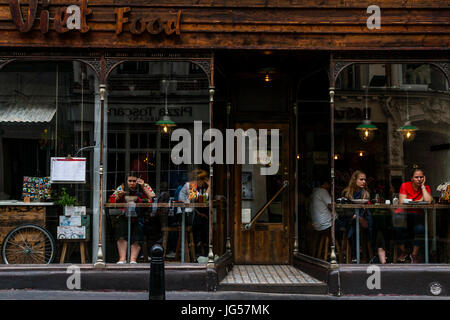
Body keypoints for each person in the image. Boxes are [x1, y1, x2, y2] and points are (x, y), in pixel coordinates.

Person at [109, 171, 156, 264]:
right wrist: (119, 195)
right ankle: (122, 259)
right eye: (129, 181)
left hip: (139, 216)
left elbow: (153, 197)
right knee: (121, 234)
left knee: (137, 236)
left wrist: (143, 186)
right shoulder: (121, 188)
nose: (132, 183)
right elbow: (111, 200)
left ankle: (133, 259)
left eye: (134, 181)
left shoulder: (144, 186)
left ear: (138, 180)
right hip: (123, 216)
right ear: (126, 181)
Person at [342, 170, 386, 264]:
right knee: (355, 226)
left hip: (365, 218)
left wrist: (364, 216)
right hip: (351, 219)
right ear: (354, 180)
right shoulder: (346, 193)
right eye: (361, 179)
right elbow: (345, 211)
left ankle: (378, 254)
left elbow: (366, 209)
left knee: (377, 226)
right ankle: (355, 255)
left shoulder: (365, 193)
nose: (364, 182)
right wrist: (358, 218)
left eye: (365, 180)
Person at [394, 167, 433, 263]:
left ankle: (414, 255)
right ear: (411, 178)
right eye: (416, 177)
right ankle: (403, 252)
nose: (419, 179)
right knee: (397, 225)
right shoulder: (405, 185)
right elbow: (402, 202)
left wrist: (423, 187)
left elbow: (428, 201)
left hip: (416, 216)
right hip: (403, 215)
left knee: (420, 229)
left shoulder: (426, 188)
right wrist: (419, 201)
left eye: (421, 177)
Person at [178, 168, 210, 257]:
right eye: (204, 180)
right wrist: (209, 188)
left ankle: (200, 248)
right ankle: (200, 249)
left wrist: (199, 213)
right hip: (184, 215)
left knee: (203, 220)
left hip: (190, 213)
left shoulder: (194, 186)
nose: (204, 183)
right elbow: (199, 200)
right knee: (202, 223)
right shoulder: (191, 185)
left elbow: (193, 203)